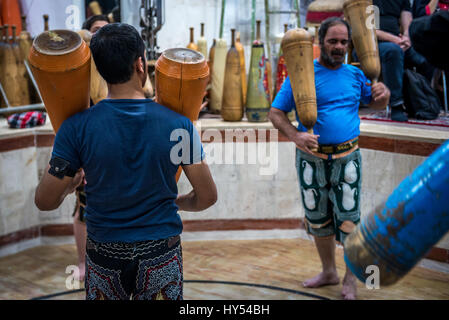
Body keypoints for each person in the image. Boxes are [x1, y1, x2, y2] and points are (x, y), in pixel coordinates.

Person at [34, 23, 217, 300]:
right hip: (161, 250)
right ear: (141, 64)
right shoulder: (179, 125)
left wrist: (71, 184)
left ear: (99, 69)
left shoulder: (75, 128)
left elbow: (44, 201)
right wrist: (173, 202)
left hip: (104, 252)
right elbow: (207, 197)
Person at [268, 17, 390, 300]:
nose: (338, 47)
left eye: (344, 42)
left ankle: (350, 279)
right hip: (311, 159)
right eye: (332, 41)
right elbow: (275, 113)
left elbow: (374, 104)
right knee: (318, 220)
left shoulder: (356, 75)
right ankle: (329, 272)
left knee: (349, 221)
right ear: (320, 42)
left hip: (348, 158)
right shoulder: (301, 75)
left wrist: (384, 96)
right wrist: (296, 136)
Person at [71, 14, 110, 283]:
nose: (100, 36)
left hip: (112, 143)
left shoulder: (116, 66)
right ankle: (83, 262)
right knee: (83, 207)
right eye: (95, 31)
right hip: (86, 143)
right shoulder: (79, 70)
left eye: (106, 32)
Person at [373, 0, 434, 122]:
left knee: (427, 54)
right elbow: (369, 30)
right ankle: (396, 105)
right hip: (370, 45)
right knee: (393, 51)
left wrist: (406, 37)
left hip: (399, 43)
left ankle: (420, 103)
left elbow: (407, 19)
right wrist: (396, 40)